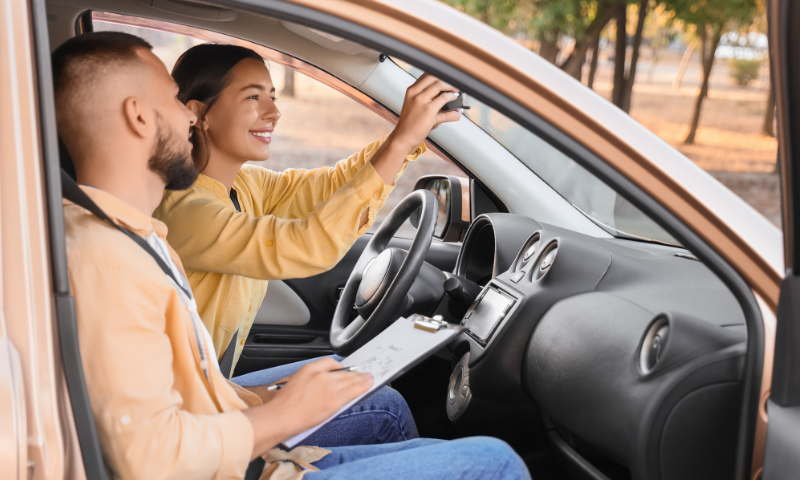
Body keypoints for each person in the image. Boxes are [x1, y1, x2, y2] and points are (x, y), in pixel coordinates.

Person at [54, 31, 530, 480]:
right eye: (174, 100)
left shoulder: (137, 232)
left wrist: (405, 139)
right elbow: (152, 454)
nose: (188, 118)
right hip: (228, 465)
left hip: (232, 446)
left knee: (381, 401)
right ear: (139, 116)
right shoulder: (112, 259)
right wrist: (283, 413)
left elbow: (187, 386)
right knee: (495, 463)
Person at [153, 43, 457, 448]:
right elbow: (307, 245)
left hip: (211, 391)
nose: (273, 113)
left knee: (348, 375)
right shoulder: (186, 210)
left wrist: (406, 138)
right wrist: (401, 140)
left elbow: (333, 185)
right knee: (383, 406)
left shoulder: (243, 185)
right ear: (198, 113)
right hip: (190, 419)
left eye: (273, 97)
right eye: (253, 97)